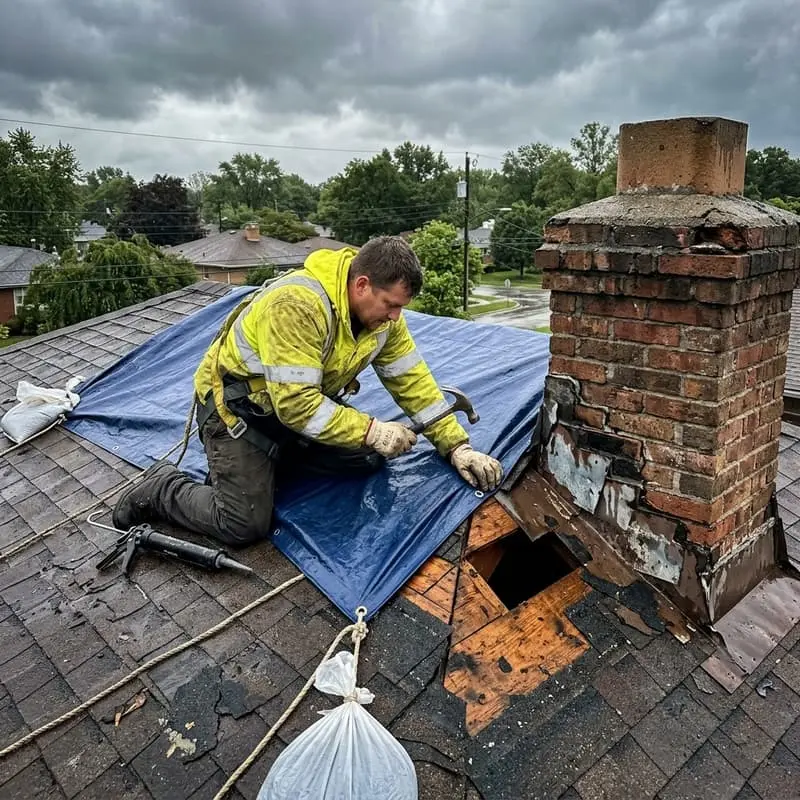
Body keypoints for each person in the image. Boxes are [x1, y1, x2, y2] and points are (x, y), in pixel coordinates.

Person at [112, 235, 503, 546]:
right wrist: (373, 430)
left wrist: (457, 447)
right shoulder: (297, 304)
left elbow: (411, 380)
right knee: (242, 524)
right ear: (362, 284)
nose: (396, 316)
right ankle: (163, 488)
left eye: (400, 307)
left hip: (293, 407)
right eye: (390, 304)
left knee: (368, 460)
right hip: (241, 413)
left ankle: (273, 460)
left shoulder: (384, 321)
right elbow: (298, 406)